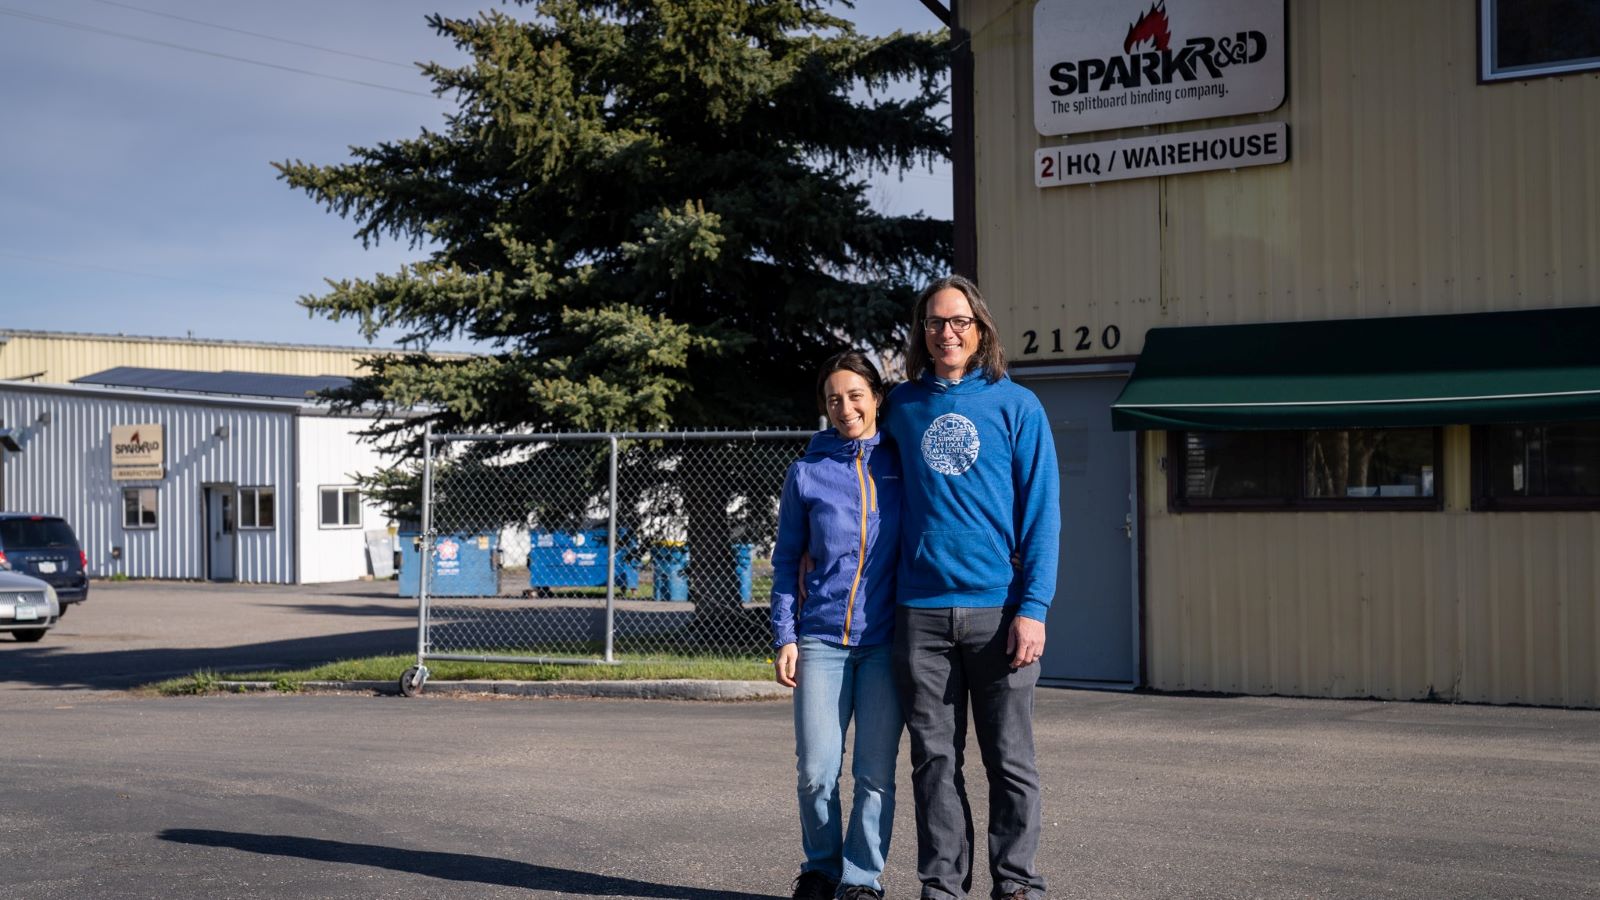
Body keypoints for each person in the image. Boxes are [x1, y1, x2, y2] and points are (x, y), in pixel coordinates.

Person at [882, 274, 1060, 900]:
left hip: (999, 612)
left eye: (959, 321)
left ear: (980, 329)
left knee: (1010, 763)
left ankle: (1016, 884)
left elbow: (1042, 514)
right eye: (935, 322)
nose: (947, 332)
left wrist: (1033, 607)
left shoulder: (1017, 406)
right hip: (920, 615)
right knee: (934, 763)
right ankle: (942, 887)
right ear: (922, 334)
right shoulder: (899, 407)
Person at [770, 351, 905, 900]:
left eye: (855, 395)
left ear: (876, 398)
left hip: (887, 640)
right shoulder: (806, 472)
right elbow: (786, 559)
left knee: (874, 773)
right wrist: (785, 634)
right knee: (817, 770)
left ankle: (861, 878)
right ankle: (821, 869)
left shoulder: (902, 464)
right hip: (821, 638)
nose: (845, 408)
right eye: (833, 399)